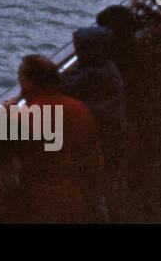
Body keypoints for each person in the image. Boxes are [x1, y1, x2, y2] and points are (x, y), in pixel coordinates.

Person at [12, 55, 104, 223]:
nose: (18, 80)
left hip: (40, 200)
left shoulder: (26, 116)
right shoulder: (79, 108)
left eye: (20, 77)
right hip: (77, 195)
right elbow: (94, 158)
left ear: (31, 82)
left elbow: (13, 158)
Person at [61, 26, 127, 178]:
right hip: (112, 131)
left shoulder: (93, 75)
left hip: (98, 135)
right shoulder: (108, 67)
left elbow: (65, 86)